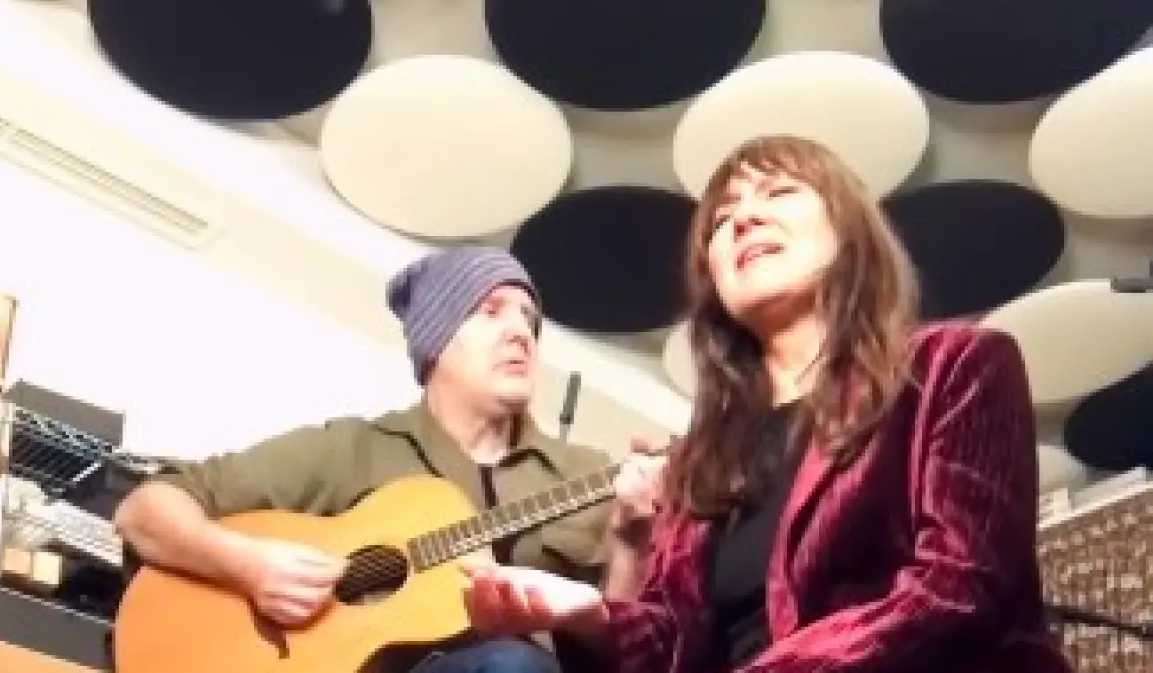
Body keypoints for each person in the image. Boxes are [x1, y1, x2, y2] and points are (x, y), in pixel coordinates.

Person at [458, 136, 1074, 673]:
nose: (744, 220)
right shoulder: (705, 460)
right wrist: (591, 618)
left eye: (778, 193)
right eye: (722, 219)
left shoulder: (955, 365)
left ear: (848, 229)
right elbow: (674, 644)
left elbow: (960, 588)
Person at [114, 245, 664, 673]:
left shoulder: (588, 476)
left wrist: (632, 541)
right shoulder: (353, 448)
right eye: (490, 312)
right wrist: (251, 567)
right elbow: (145, 511)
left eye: (529, 319)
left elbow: (625, 656)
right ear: (435, 343)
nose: (521, 332)